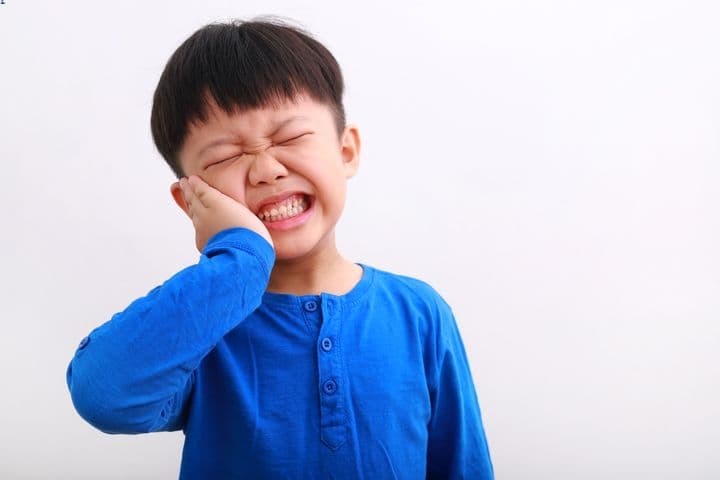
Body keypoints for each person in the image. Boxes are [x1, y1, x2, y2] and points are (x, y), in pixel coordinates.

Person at [66, 17, 494, 479]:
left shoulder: (419, 312)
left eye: (290, 137)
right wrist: (239, 262)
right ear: (190, 200)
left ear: (346, 151)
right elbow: (102, 394)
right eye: (226, 156)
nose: (266, 170)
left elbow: (462, 464)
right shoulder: (201, 324)